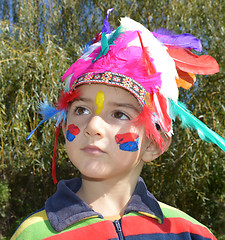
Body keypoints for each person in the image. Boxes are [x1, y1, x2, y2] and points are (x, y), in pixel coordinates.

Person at [11, 9, 224, 240]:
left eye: (120, 114)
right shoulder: (33, 234)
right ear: (64, 128)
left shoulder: (189, 233)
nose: (93, 125)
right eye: (81, 110)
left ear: (154, 143)